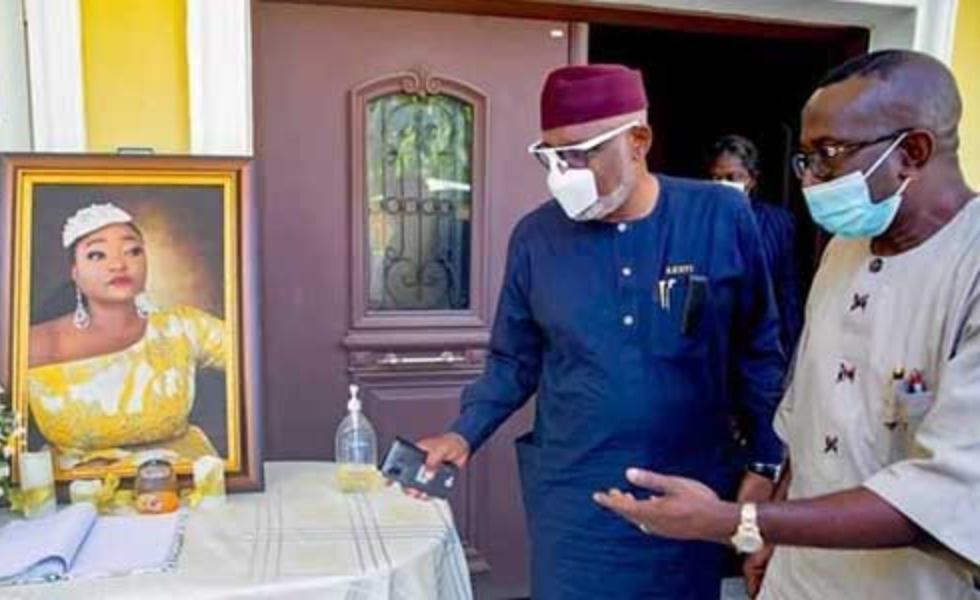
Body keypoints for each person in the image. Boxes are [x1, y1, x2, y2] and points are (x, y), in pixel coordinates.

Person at [594, 50, 980, 599]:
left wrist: (736, 520)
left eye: (828, 154)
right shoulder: (844, 250)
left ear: (911, 152)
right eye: (805, 158)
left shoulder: (969, 268)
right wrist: (768, 533)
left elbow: (947, 496)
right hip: (797, 578)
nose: (811, 178)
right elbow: (810, 417)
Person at [413, 64, 786, 599]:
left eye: (581, 153)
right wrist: (463, 432)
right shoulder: (536, 238)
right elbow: (514, 360)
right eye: (551, 156)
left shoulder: (719, 216)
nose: (563, 173)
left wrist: (765, 461)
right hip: (575, 500)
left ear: (639, 141)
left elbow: (758, 353)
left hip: (689, 495)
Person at [28, 203, 227, 472]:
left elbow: (257, 360)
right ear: (75, 273)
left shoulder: (183, 327)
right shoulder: (33, 344)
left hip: (186, 482)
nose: (119, 265)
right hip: (73, 490)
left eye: (133, 251)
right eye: (97, 255)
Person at [709, 134, 804, 356]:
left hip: (760, 346)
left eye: (732, 177)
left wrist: (789, 352)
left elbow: (788, 292)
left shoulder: (779, 223)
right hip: (712, 346)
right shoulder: (700, 222)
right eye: (716, 178)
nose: (723, 185)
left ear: (752, 179)